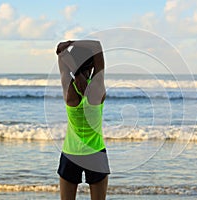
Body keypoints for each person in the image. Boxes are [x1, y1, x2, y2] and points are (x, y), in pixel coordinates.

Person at [56, 40, 110, 200]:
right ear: (92, 65)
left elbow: (60, 50)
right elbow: (98, 45)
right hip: (95, 153)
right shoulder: (97, 87)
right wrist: (73, 42)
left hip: (70, 153)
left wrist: (76, 72)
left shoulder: (68, 88)